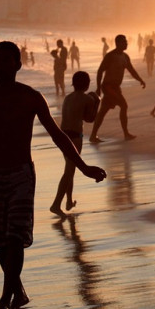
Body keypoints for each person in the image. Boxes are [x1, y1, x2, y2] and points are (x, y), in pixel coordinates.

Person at [0, 41, 106, 309]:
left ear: (18, 64)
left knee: (15, 238)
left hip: (22, 174)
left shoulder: (31, 97)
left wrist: (83, 167)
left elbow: (58, 136)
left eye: (7, 60)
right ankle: (18, 291)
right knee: (0, 242)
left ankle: (4, 298)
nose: (0, 65)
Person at [50, 71, 96, 216]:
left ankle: (69, 201)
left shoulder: (68, 97)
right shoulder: (87, 98)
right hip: (75, 137)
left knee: (69, 169)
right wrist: (97, 102)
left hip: (62, 136)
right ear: (87, 84)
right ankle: (56, 204)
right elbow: (90, 119)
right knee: (69, 171)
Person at [89, 34, 146, 143]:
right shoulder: (110, 56)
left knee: (103, 111)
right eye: (124, 42)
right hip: (108, 86)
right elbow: (100, 70)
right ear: (117, 43)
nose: (126, 44)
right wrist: (98, 87)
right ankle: (126, 134)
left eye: (126, 42)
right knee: (123, 106)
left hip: (116, 87)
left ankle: (93, 135)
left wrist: (140, 80)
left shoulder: (125, 57)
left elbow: (132, 70)